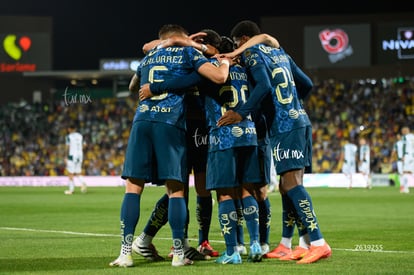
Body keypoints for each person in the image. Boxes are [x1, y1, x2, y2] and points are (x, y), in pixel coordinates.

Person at [109, 24, 231, 268]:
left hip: (142, 121)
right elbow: (218, 77)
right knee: (177, 189)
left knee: (133, 187)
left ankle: (125, 253)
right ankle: (178, 253)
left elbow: (134, 87)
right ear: (182, 38)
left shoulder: (150, 55)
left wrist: (154, 82)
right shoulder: (189, 53)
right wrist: (222, 62)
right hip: (171, 122)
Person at [217, 20, 332, 264]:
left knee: (291, 184)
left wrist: (241, 112)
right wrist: (290, 103)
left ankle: (318, 242)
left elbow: (265, 86)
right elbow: (307, 84)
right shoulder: (280, 53)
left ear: (244, 39)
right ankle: (292, 244)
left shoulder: (251, 53)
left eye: (237, 44)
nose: (236, 50)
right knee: (287, 185)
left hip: (284, 125)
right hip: (300, 118)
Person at [132, 29, 221, 262]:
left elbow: (206, 62)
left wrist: (189, 43)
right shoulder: (180, 56)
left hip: (198, 126)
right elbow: (147, 47)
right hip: (178, 125)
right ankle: (163, 241)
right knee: (177, 187)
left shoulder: (204, 57)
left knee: (200, 186)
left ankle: (199, 242)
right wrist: (183, 42)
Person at [64, 123, 87, 195]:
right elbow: (85, 145)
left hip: (72, 156)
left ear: (70, 129)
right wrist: (79, 150)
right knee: (78, 172)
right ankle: (83, 183)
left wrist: (65, 156)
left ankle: (71, 190)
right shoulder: (80, 136)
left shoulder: (69, 137)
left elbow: (67, 146)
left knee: (70, 173)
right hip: (80, 155)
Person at [401, 126, 414, 194]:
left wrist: (403, 155)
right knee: (411, 171)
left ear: (405, 131)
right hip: (412, 155)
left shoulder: (405, 137)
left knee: (405, 171)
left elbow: (404, 146)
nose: (402, 133)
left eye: (403, 131)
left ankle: (405, 188)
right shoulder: (413, 136)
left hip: (407, 155)